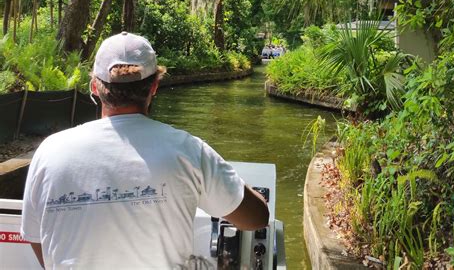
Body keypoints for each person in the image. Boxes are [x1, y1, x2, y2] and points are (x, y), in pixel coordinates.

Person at [21, 31, 269, 269]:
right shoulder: (188, 150)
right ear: (154, 87)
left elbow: (37, 239)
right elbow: (257, 218)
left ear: (95, 87)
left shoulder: (50, 151)